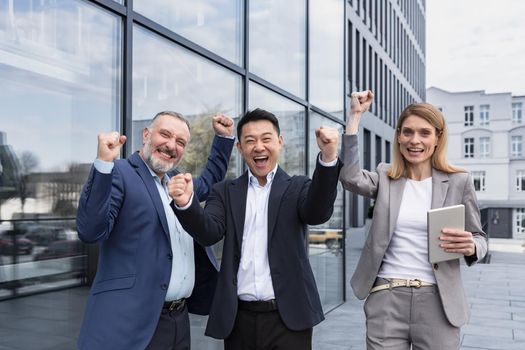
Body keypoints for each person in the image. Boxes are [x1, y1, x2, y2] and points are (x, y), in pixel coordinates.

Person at [168, 108, 342, 349]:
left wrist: (329, 157)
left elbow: (318, 212)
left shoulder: (298, 187)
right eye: (250, 141)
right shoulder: (225, 191)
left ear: (279, 142)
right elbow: (209, 232)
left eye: (266, 139)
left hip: (288, 318)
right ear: (240, 148)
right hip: (239, 319)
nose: (258, 147)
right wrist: (187, 203)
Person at [340, 91, 488, 349]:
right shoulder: (386, 176)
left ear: (438, 138)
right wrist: (354, 117)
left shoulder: (459, 181)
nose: (414, 140)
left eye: (424, 133)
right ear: (398, 136)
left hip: (438, 302)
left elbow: (480, 237)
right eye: (407, 132)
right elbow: (350, 178)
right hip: (386, 297)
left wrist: (473, 246)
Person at [76, 111, 235, 350]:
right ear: (146, 135)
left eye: (180, 142)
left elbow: (209, 181)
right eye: (165, 134)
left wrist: (223, 138)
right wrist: (103, 165)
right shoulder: (120, 172)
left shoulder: (177, 181)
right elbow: (90, 230)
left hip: (178, 321)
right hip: (130, 322)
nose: (172, 145)